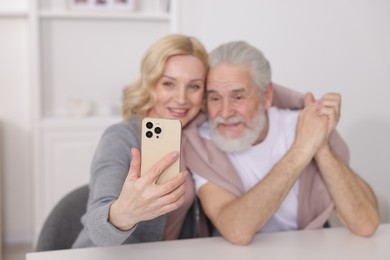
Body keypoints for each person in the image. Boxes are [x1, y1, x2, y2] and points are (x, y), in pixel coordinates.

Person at [182, 41, 380, 245]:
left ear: (266, 96)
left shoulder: (303, 125)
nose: (224, 113)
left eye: (238, 97)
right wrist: (301, 151)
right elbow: (237, 230)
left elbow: (366, 224)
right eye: (215, 99)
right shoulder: (201, 142)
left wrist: (320, 146)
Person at [72, 34, 209, 247]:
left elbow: (261, 92)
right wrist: (123, 214)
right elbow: (97, 227)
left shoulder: (197, 133)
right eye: (168, 84)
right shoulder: (120, 137)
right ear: (150, 84)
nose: (182, 99)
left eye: (194, 86)